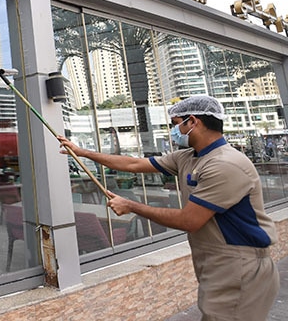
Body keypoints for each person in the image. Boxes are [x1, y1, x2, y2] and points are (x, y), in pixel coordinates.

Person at [58, 95, 279, 321]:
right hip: (216, 262)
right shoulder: (188, 157)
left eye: (176, 124)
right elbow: (134, 164)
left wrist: (131, 206)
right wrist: (83, 153)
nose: (174, 131)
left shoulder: (225, 164)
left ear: (192, 122)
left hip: (240, 265)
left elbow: (188, 221)